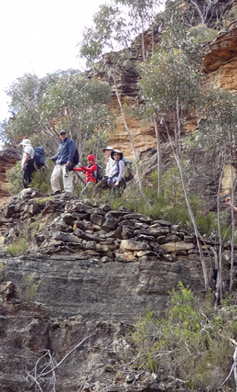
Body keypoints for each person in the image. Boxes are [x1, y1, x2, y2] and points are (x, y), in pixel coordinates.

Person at [50, 130, 76, 195]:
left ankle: (68, 191)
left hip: (66, 162)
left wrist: (69, 160)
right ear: (60, 136)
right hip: (59, 163)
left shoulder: (70, 142)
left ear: (66, 134)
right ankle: (56, 190)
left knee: (66, 176)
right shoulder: (60, 145)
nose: (63, 135)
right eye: (61, 134)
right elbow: (59, 154)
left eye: (64, 134)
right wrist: (53, 158)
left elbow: (71, 151)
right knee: (54, 176)